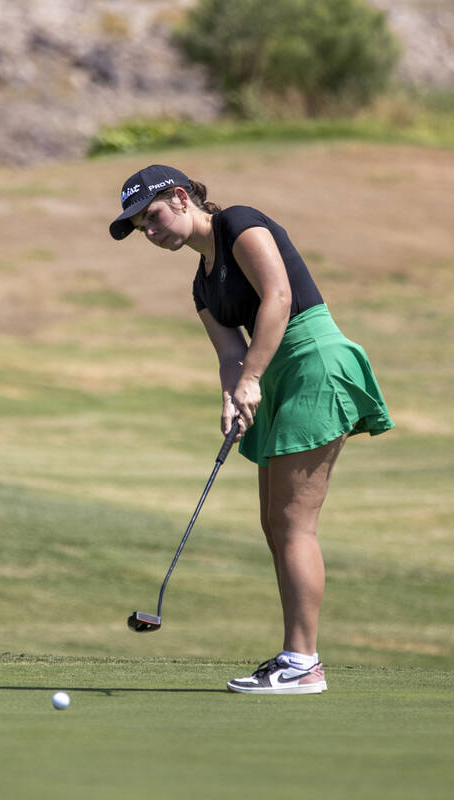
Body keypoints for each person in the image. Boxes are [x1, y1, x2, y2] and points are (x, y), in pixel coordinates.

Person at [109, 165, 394, 694]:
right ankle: (296, 655)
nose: (150, 232)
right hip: (277, 376)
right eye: (139, 228)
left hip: (315, 362)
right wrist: (232, 394)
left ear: (179, 197)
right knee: (274, 523)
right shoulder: (201, 285)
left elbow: (279, 297)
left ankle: (303, 662)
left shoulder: (239, 224)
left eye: (151, 217)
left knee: (293, 524)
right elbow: (230, 354)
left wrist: (254, 379)